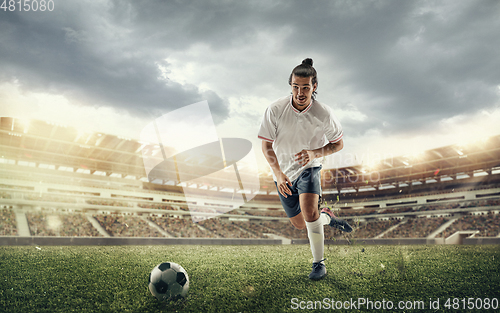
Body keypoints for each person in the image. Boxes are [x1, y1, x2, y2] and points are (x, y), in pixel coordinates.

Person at [258, 58, 352, 280]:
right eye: (295, 87)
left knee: (309, 214)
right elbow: (265, 145)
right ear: (290, 85)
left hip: (310, 168)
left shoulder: (324, 114)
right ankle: (327, 217)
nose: (300, 92)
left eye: (306, 87)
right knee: (300, 224)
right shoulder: (275, 109)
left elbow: (338, 143)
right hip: (282, 174)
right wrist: (279, 174)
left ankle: (319, 264)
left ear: (314, 87)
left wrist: (314, 153)